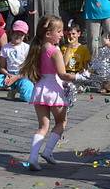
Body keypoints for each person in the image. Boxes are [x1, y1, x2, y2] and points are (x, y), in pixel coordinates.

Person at [19, 15, 89, 171]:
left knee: (43, 126)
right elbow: (63, 74)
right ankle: (48, 151)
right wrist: (79, 76)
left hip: (39, 88)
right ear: (48, 34)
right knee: (61, 122)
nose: (62, 34)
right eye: (58, 31)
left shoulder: (37, 48)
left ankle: (33, 157)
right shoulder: (54, 50)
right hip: (53, 90)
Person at [0, 20, 33, 102]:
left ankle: (19, 89)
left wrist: (17, 77)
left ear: (25, 35)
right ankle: (12, 88)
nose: (18, 36)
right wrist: (7, 74)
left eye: (21, 34)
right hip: (9, 75)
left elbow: (29, 68)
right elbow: (2, 67)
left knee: (27, 97)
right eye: (16, 33)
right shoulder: (5, 48)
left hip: (22, 75)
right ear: (11, 32)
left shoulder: (27, 48)